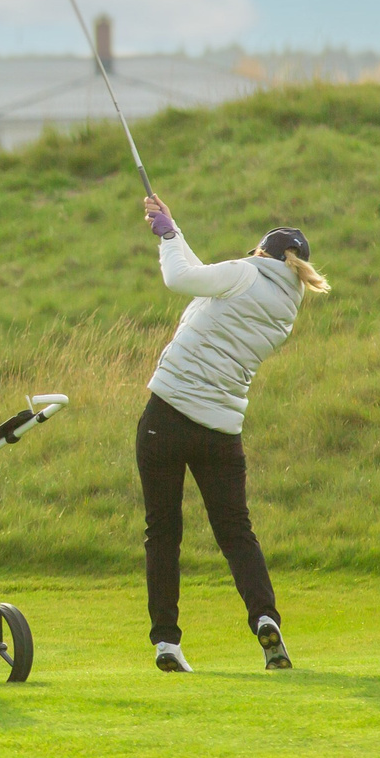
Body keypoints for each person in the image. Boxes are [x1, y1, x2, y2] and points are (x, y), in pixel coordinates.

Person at [135, 192, 330, 674]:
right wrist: (174, 230)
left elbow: (181, 278)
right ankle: (265, 617)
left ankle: (167, 643)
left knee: (163, 532)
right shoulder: (285, 309)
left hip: (167, 415)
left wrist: (167, 236)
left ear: (262, 253)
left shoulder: (245, 273)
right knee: (237, 532)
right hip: (220, 431)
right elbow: (205, 280)